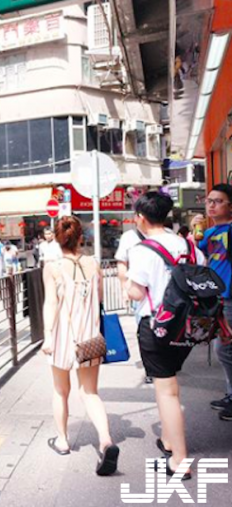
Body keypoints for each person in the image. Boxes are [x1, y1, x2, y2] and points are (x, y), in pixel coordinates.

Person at [127, 192, 205, 479]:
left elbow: (137, 293)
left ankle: (180, 461)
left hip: (157, 326)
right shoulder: (189, 246)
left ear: (141, 218)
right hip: (187, 326)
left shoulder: (142, 250)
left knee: (167, 390)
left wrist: (126, 287)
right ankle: (169, 440)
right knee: (170, 385)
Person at [42, 216, 119, 476]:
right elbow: (99, 298)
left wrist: (47, 336)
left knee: (60, 390)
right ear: (80, 238)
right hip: (90, 337)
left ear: (57, 239)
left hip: (63, 337)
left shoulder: (53, 267)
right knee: (90, 392)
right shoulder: (93, 263)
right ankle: (106, 441)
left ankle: (62, 440)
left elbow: (51, 304)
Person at [192, 183, 232, 422]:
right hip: (216, 297)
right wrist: (194, 231)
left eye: (218, 201)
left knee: (224, 348)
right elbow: (198, 257)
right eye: (208, 201)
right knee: (223, 347)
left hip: (229, 296)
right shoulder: (208, 233)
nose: (211, 205)